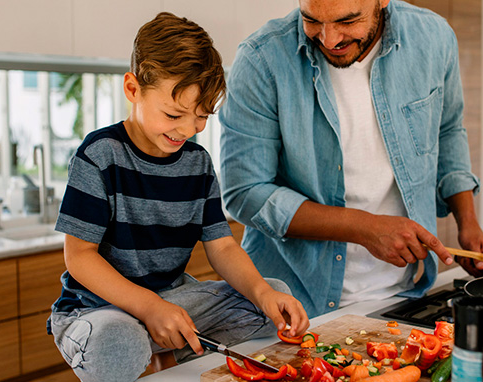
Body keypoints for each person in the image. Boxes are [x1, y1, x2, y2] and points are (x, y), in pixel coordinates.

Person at [48, 12, 308, 382]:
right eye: (174, 114)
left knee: (273, 299)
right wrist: (149, 307)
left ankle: (167, 347)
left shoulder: (197, 162)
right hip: (96, 310)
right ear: (133, 89)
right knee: (119, 342)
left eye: (201, 116)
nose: (188, 129)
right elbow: (79, 258)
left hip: (171, 299)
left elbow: (222, 248)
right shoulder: (100, 153)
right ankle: (159, 346)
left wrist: (262, 292)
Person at [218, 0, 483, 317]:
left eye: (347, 21)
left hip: (404, 297)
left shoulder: (433, 38)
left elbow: (447, 130)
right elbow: (244, 193)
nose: (329, 39)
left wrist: (467, 220)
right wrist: (365, 228)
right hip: (290, 305)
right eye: (311, 20)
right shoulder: (261, 60)